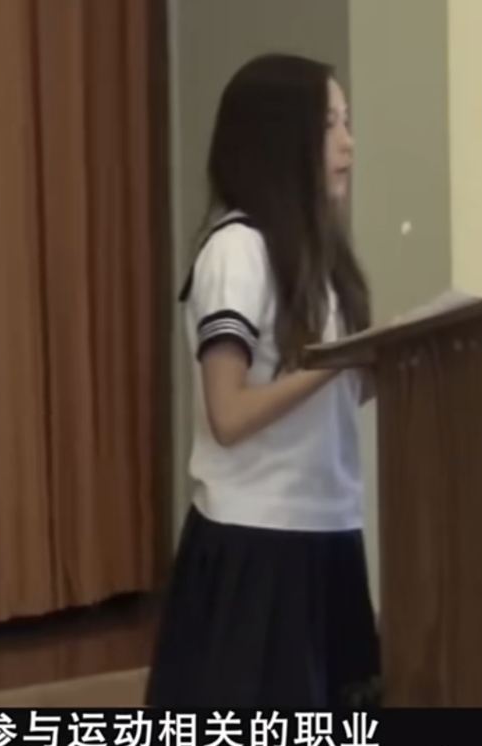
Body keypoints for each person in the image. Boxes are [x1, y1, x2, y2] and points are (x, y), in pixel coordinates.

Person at [144, 54, 382, 709]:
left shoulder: (321, 257)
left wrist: (392, 361)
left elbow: (333, 393)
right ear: (281, 139)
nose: (348, 143)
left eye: (347, 122)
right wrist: (332, 362)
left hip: (330, 526)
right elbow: (229, 412)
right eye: (330, 125)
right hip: (258, 544)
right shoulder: (237, 249)